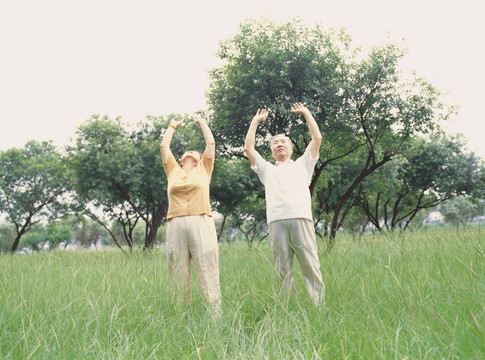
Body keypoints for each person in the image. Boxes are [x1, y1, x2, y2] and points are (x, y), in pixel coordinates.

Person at [244, 103, 325, 307]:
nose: (279, 144)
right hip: (277, 222)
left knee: (310, 265)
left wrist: (306, 113)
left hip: (301, 218)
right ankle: (288, 309)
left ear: (290, 148)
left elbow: (317, 138)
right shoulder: (267, 169)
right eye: (274, 143)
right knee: (283, 269)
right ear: (271, 150)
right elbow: (248, 148)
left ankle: (318, 307)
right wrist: (255, 122)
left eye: (283, 142)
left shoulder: (303, 164)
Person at [160, 117, 221, 315]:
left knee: (207, 271)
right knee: (177, 272)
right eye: (187, 151)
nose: (190, 151)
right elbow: (163, 146)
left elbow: (211, 143)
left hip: (201, 220)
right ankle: (180, 316)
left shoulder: (204, 169)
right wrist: (172, 127)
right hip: (175, 223)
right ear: (180, 160)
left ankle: (215, 316)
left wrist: (202, 123)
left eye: (195, 151)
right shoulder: (173, 172)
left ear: (201, 157)